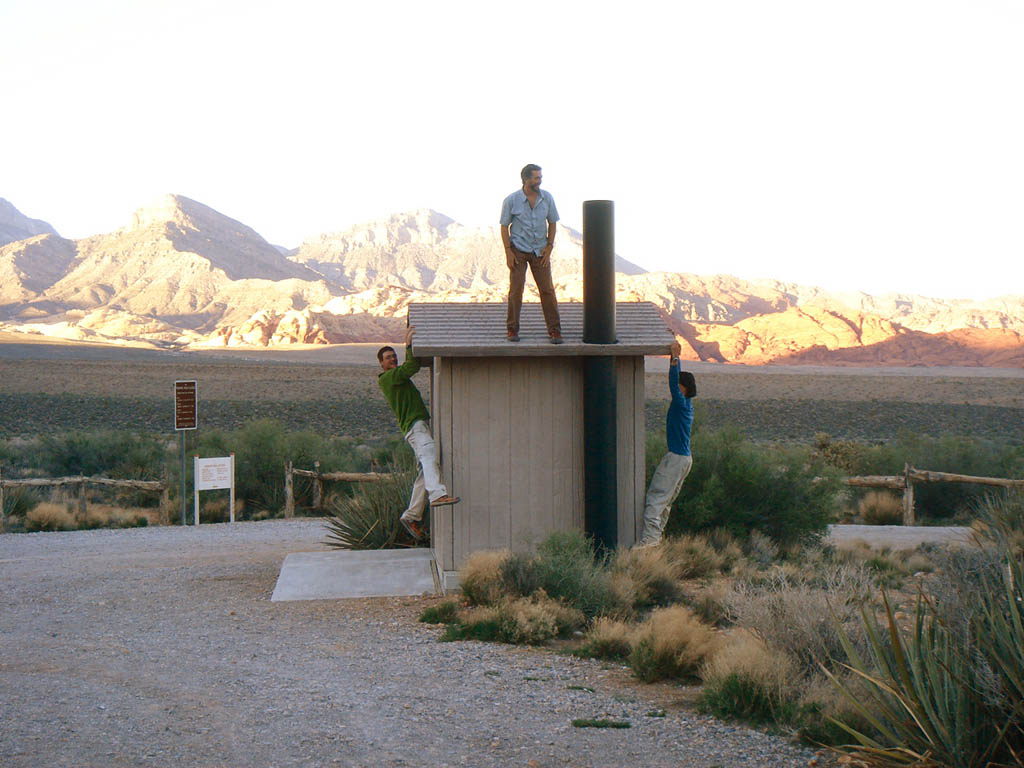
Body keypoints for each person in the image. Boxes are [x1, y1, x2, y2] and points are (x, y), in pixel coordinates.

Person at [377, 325, 459, 540]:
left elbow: (407, 366)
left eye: (393, 356)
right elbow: (412, 365)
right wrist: (408, 345)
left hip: (417, 426)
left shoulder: (394, 377)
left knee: (426, 468)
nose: (393, 359)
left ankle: (412, 515)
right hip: (415, 427)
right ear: (381, 363)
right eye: (388, 357)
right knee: (430, 455)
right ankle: (438, 495)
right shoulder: (389, 378)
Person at [637, 341, 696, 547]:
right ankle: (656, 537)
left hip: (676, 457)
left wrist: (674, 359)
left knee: (656, 497)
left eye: (680, 385)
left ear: (684, 388)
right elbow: (675, 383)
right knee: (667, 501)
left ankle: (649, 542)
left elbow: (673, 383)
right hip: (685, 459)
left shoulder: (681, 403)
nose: (675, 388)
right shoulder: (687, 406)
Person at [500, 163, 563, 344]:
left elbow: (552, 222)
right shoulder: (511, 200)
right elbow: (504, 227)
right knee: (516, 289)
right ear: (526, 179)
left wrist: (549, 246)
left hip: (540, 251)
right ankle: (512, 329)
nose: (539, 181)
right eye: (536, 177)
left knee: (547, 290)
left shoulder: (547, 198)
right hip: (518, 249)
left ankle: (555, 330)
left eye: (540, 177)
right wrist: (508, 252)